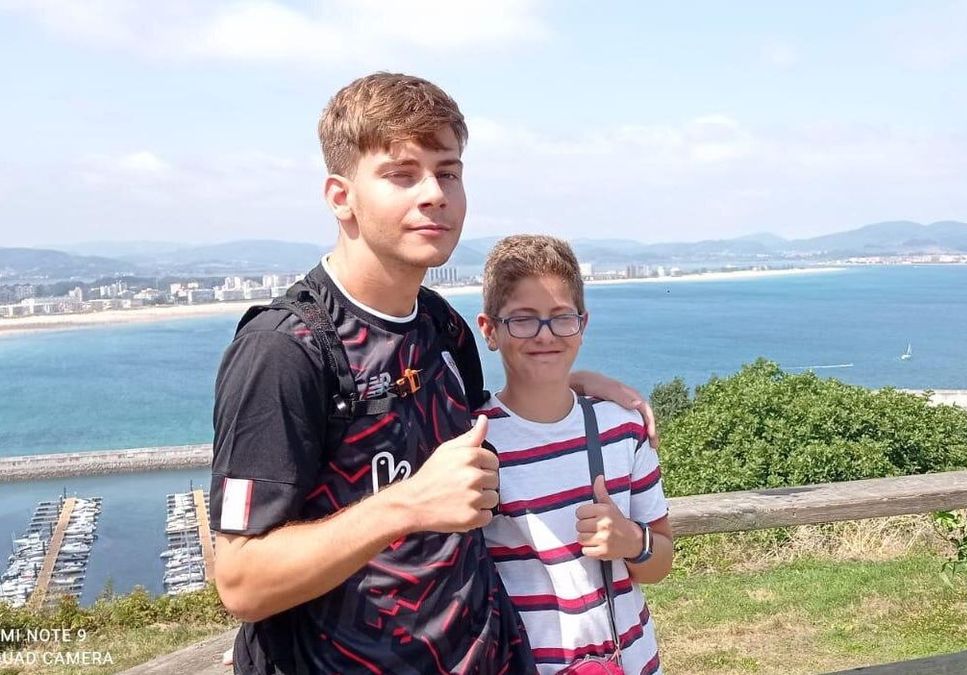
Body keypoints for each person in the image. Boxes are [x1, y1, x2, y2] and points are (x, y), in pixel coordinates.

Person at [210, 73, 655, 675]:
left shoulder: (443, 330)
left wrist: (569, 380)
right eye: (401, 173)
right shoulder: (285, 352)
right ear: (341, 196)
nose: (434, 193)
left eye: (448, 172)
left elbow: (485, 424)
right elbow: (241, 581)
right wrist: (406, 505)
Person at [476, 236, 672, 675]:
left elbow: (661, 562)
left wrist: (631, 541)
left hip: (631, 661)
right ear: (489, 329)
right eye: (523, 320)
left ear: (582, 324)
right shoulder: (475, 442)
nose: (545, 335)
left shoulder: (623, 428)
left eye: (561, 318)